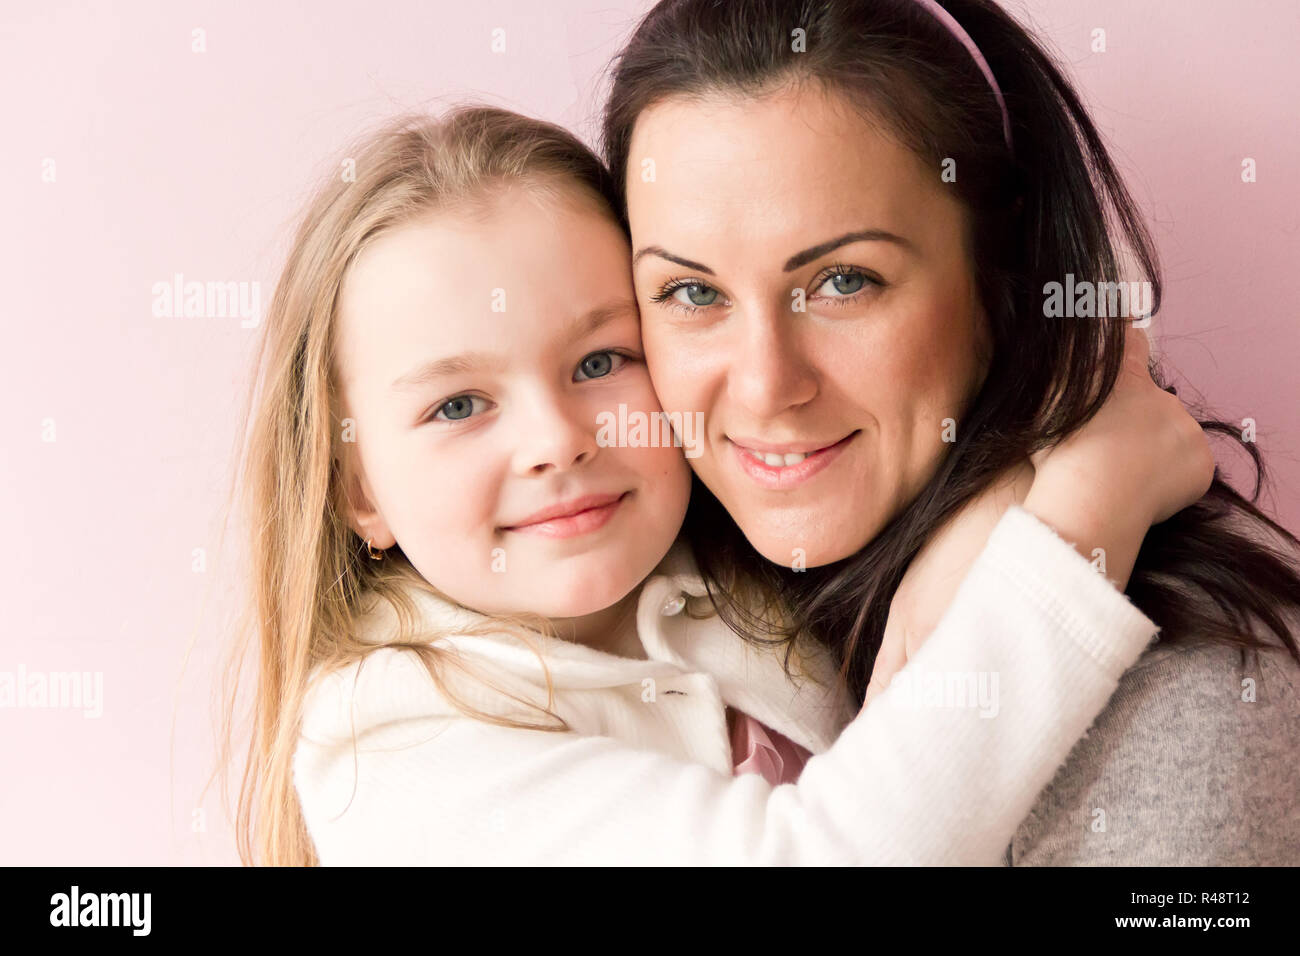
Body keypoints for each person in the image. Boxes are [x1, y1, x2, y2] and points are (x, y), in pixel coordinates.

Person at [223, 104, 1212, 865]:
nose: (555, 441)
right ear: (358, 487)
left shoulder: (726, 561)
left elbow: (1049, 316)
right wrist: (1081, 512)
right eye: (455, 406)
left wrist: (990, 506)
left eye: (601, 360)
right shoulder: (388, 748)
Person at [602, 0, 1300, 864]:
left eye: (844, 281)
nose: (765, 386)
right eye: (693, 293)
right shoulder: (606, 589)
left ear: (997, 279)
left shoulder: (1189, 687)